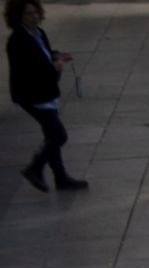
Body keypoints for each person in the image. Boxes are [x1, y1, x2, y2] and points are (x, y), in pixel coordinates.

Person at [6, 0, 86, 191]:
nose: (34, 17)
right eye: (28, 14)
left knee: (51, 135)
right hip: (34, 96)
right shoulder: (18, 40)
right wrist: (54, 68)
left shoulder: (38, 33)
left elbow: (43, 55)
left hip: (45, 92)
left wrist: (55, 56)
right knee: (58, 135)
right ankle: (34, 167)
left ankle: (60, 177)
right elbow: (31, 71)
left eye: (36, 13)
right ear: (18, 17)